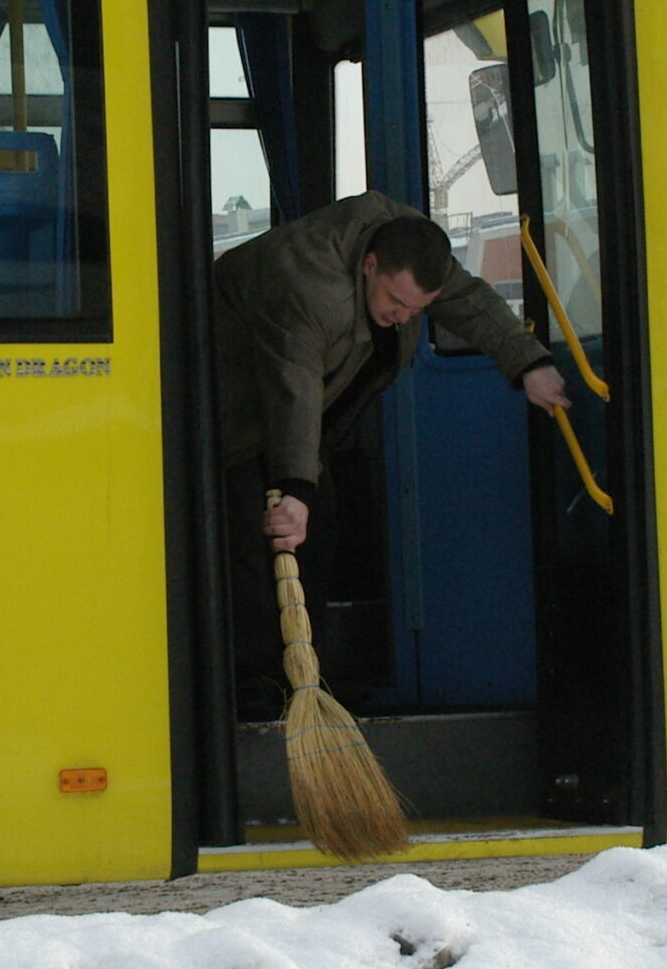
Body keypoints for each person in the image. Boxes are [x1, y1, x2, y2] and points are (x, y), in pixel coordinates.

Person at [213, 190, 569, 717]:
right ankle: (254, 690)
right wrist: (295, 489)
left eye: (417, 310)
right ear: (369, 266)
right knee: (254, 541)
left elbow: (470, 303)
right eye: (396, 305)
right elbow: (295, 387)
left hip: (297, 418)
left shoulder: (410, 256)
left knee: (321, 527)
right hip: (233, 409)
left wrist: (528, 364)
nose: (404, 319)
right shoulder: (310, 285)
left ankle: (302, 679)